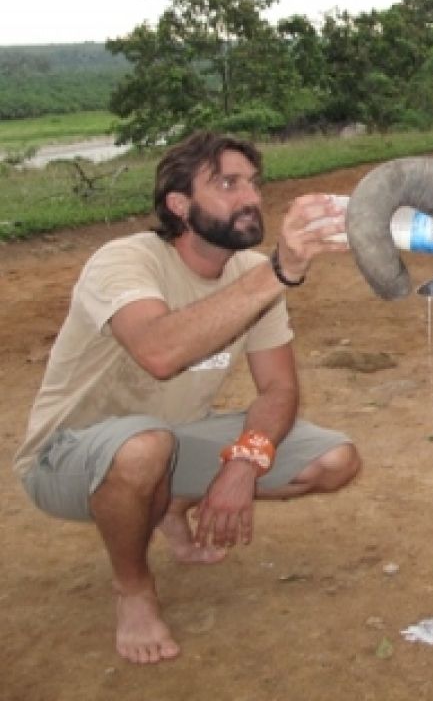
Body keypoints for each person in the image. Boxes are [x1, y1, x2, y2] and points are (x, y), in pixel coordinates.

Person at [13, 131, 362, 665]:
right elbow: (159, 352)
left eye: (252, 183)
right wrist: (280, 271)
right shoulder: (124, 261)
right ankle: (134, 591)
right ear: (180, 205)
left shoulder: (250, 274)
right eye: (227, 183)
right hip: (69, 454)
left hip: (168, 442)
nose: (250, 197)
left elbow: (279, 389)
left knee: (335, 461)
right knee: (143, 448)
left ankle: (168, 504)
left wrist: (245, 461)